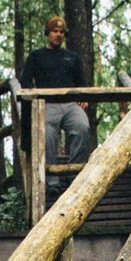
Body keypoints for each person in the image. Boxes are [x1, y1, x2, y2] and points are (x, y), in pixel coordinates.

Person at [18, 16, 92, 185]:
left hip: (70, 105)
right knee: (48, 136)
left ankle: (75, 175)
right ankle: (51, 182)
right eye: (54, 31)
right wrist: (34, 101)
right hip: (47, 105)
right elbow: (26, 81)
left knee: (82, 127)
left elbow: (82, 83)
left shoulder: (72, 58)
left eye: (61, 32)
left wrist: (83, 97)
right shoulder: (36, 56)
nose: (58, 35)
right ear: (47, 33)